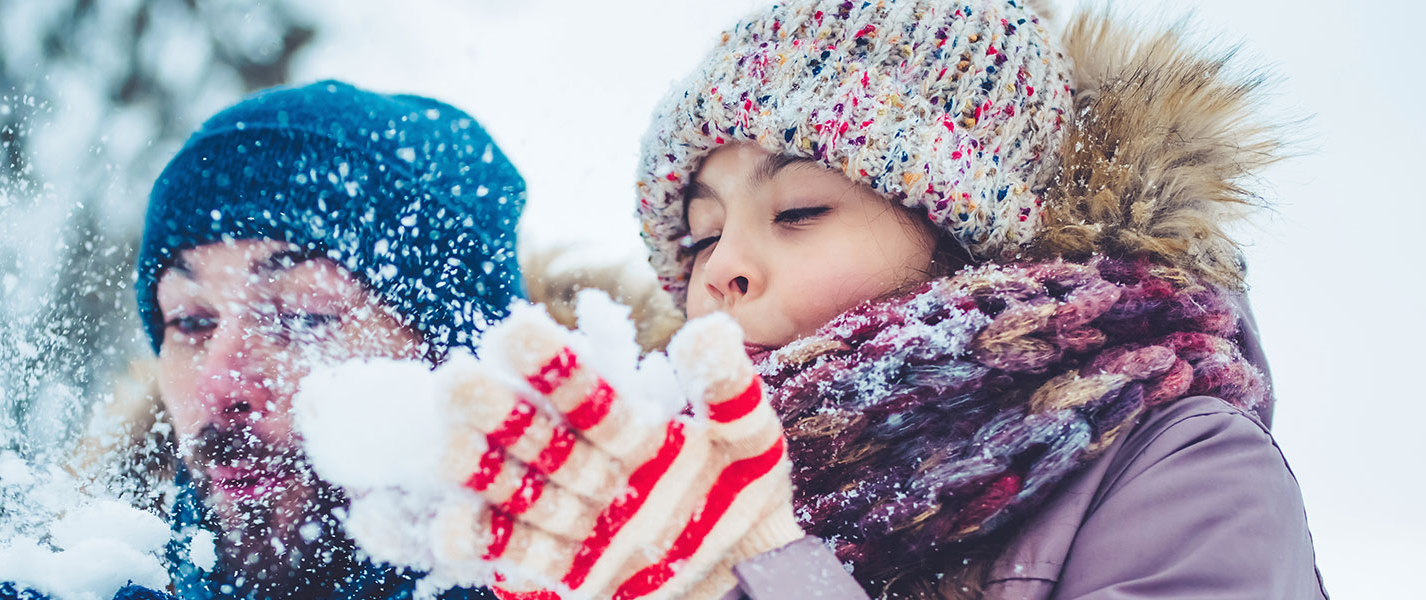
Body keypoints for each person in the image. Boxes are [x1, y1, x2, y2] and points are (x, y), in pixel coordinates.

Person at [410, 2, 1326, 598]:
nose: (718, 270)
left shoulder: (1184, 474)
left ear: (968, 237)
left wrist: (750, 569)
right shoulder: (621, 498)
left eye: (798, 210)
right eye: (697, 234)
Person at [131, 79, 527, 600]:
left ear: (453, 359)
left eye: (303, 314)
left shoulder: (623, 579)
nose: (218, 387)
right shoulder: (86, 575)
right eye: (190, 321)